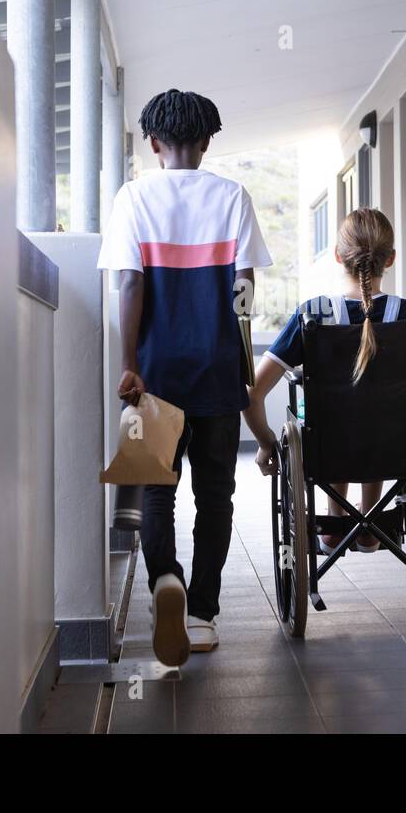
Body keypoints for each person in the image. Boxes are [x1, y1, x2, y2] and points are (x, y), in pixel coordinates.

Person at [98, 88, 272, 667]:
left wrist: (129, 363)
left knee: (155, 493)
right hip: (219, 369)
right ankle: (201, 613)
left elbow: (129, 284)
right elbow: (243, 287)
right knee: (216, 494)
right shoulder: (232, 196)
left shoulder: (132, 197)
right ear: (205, 142)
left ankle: (163, 582)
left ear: (152, 143)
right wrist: (243, 359)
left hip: (154, 375)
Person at [244, 208, 406, 551]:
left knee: (338, 421)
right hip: (399, 448)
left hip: (326, 448)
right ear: (390, 259)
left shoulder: (311, 315)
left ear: (337, 256)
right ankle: (371, 522)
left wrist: (265, 443)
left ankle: (334, 523)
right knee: (379, 418)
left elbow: (251, 394)